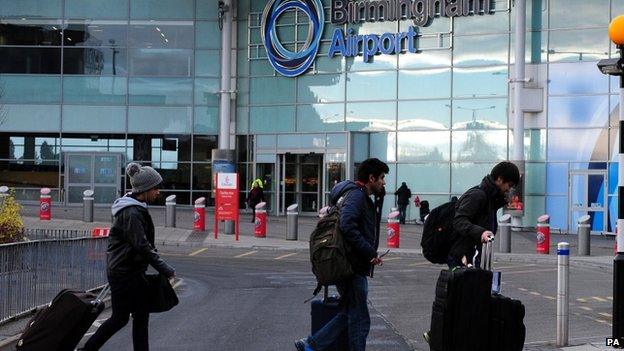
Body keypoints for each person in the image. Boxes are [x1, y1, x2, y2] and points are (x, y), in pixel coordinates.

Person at [295, 158, 389, 351]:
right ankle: (311, 345)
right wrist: (369, 251)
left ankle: (311, 344)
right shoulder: (356, 196)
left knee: (349, 313)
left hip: (349, 263)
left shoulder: (356, 195)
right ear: (371, 178)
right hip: (351, 266)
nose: (383, 182)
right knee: (360, 320)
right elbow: (347, 225)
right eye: (381, 178)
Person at [81, 163, 175, 351]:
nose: (158, 192)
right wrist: (166, 269)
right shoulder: (131, 212)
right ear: (145, 189)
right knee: (132, 316)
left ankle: (87, 349)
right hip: (126, 273)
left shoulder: (134, 207)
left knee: (125, 317)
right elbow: (142, 246)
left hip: (125, 271)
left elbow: (142, 245)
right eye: (155, 188)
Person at [448, 161, 519, 268]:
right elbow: (459, 221)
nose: (509, 189)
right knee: (468, 284)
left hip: (476, 256)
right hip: (464, 257)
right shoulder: (477, 195)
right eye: (509, 185)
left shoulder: (490, 199)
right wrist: (481, 233)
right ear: (499, 179)